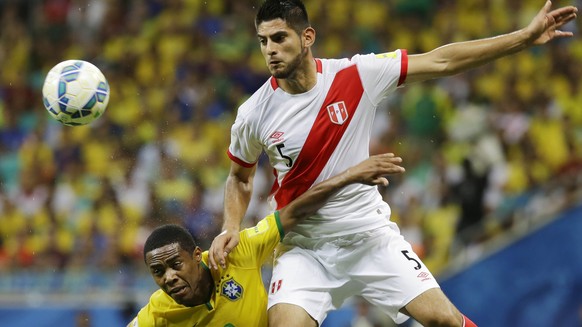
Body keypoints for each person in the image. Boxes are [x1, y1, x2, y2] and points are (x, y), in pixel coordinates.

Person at [209, 1, 578, 326]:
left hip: (369, 235)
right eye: (263, 41)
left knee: (443, 319)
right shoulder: (253, 113)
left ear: (307, 37)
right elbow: (240, 178)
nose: (270, 50)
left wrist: (523, 39)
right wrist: (230, 225)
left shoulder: (356, 75)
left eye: (279, 38)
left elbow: (441, 60)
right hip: (303, 249)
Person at [127, 153, 405, 326]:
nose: (169, 277)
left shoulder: (237, 252)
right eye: (158, 272)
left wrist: (350, 176)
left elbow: (295, 212)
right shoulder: (159, 312)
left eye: (176, 263)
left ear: (197, 255)